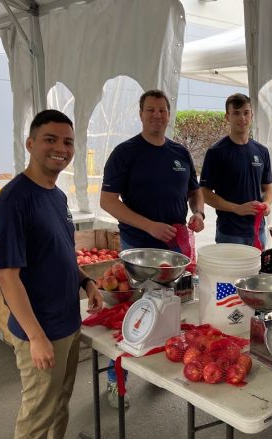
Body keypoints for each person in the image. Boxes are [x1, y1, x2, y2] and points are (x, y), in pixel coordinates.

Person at [0, 110, 103, 439]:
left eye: (67, 142)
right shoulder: (12, 202)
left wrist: (85, 281)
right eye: (50, 139)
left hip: (67, 320)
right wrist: (36, 336)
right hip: (40, 330)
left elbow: (61, 253)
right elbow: (8, 275)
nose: (60, 148)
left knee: (61, 399)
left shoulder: (55, 195)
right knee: (37, 412)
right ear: (31, 143)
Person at [100, 89, 205, 407]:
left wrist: (198, 213)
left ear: (168, 114)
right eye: (150, 110)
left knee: (168, 311)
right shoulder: (126, 152)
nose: (157, 115)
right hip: (138, 248)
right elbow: (107, 201)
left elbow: (194, 191)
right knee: (131, 314)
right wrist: (148, 226)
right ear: (141, 113)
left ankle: (155, 369)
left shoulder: (179, 152)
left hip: (174, 249)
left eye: (162, 110)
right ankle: (115, 379)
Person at [200, 93, 272, 248]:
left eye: (246, 113)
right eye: (236, 113)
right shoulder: (216, 152)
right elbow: (204, 193)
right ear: (227, 117)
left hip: (258, 232)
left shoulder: (262, 151)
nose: (242, 118)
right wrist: (236, 208)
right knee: (231, 274)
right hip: (230, 233)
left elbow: (268, 188)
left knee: (256, 272)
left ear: (252, 116)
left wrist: (267, 203)